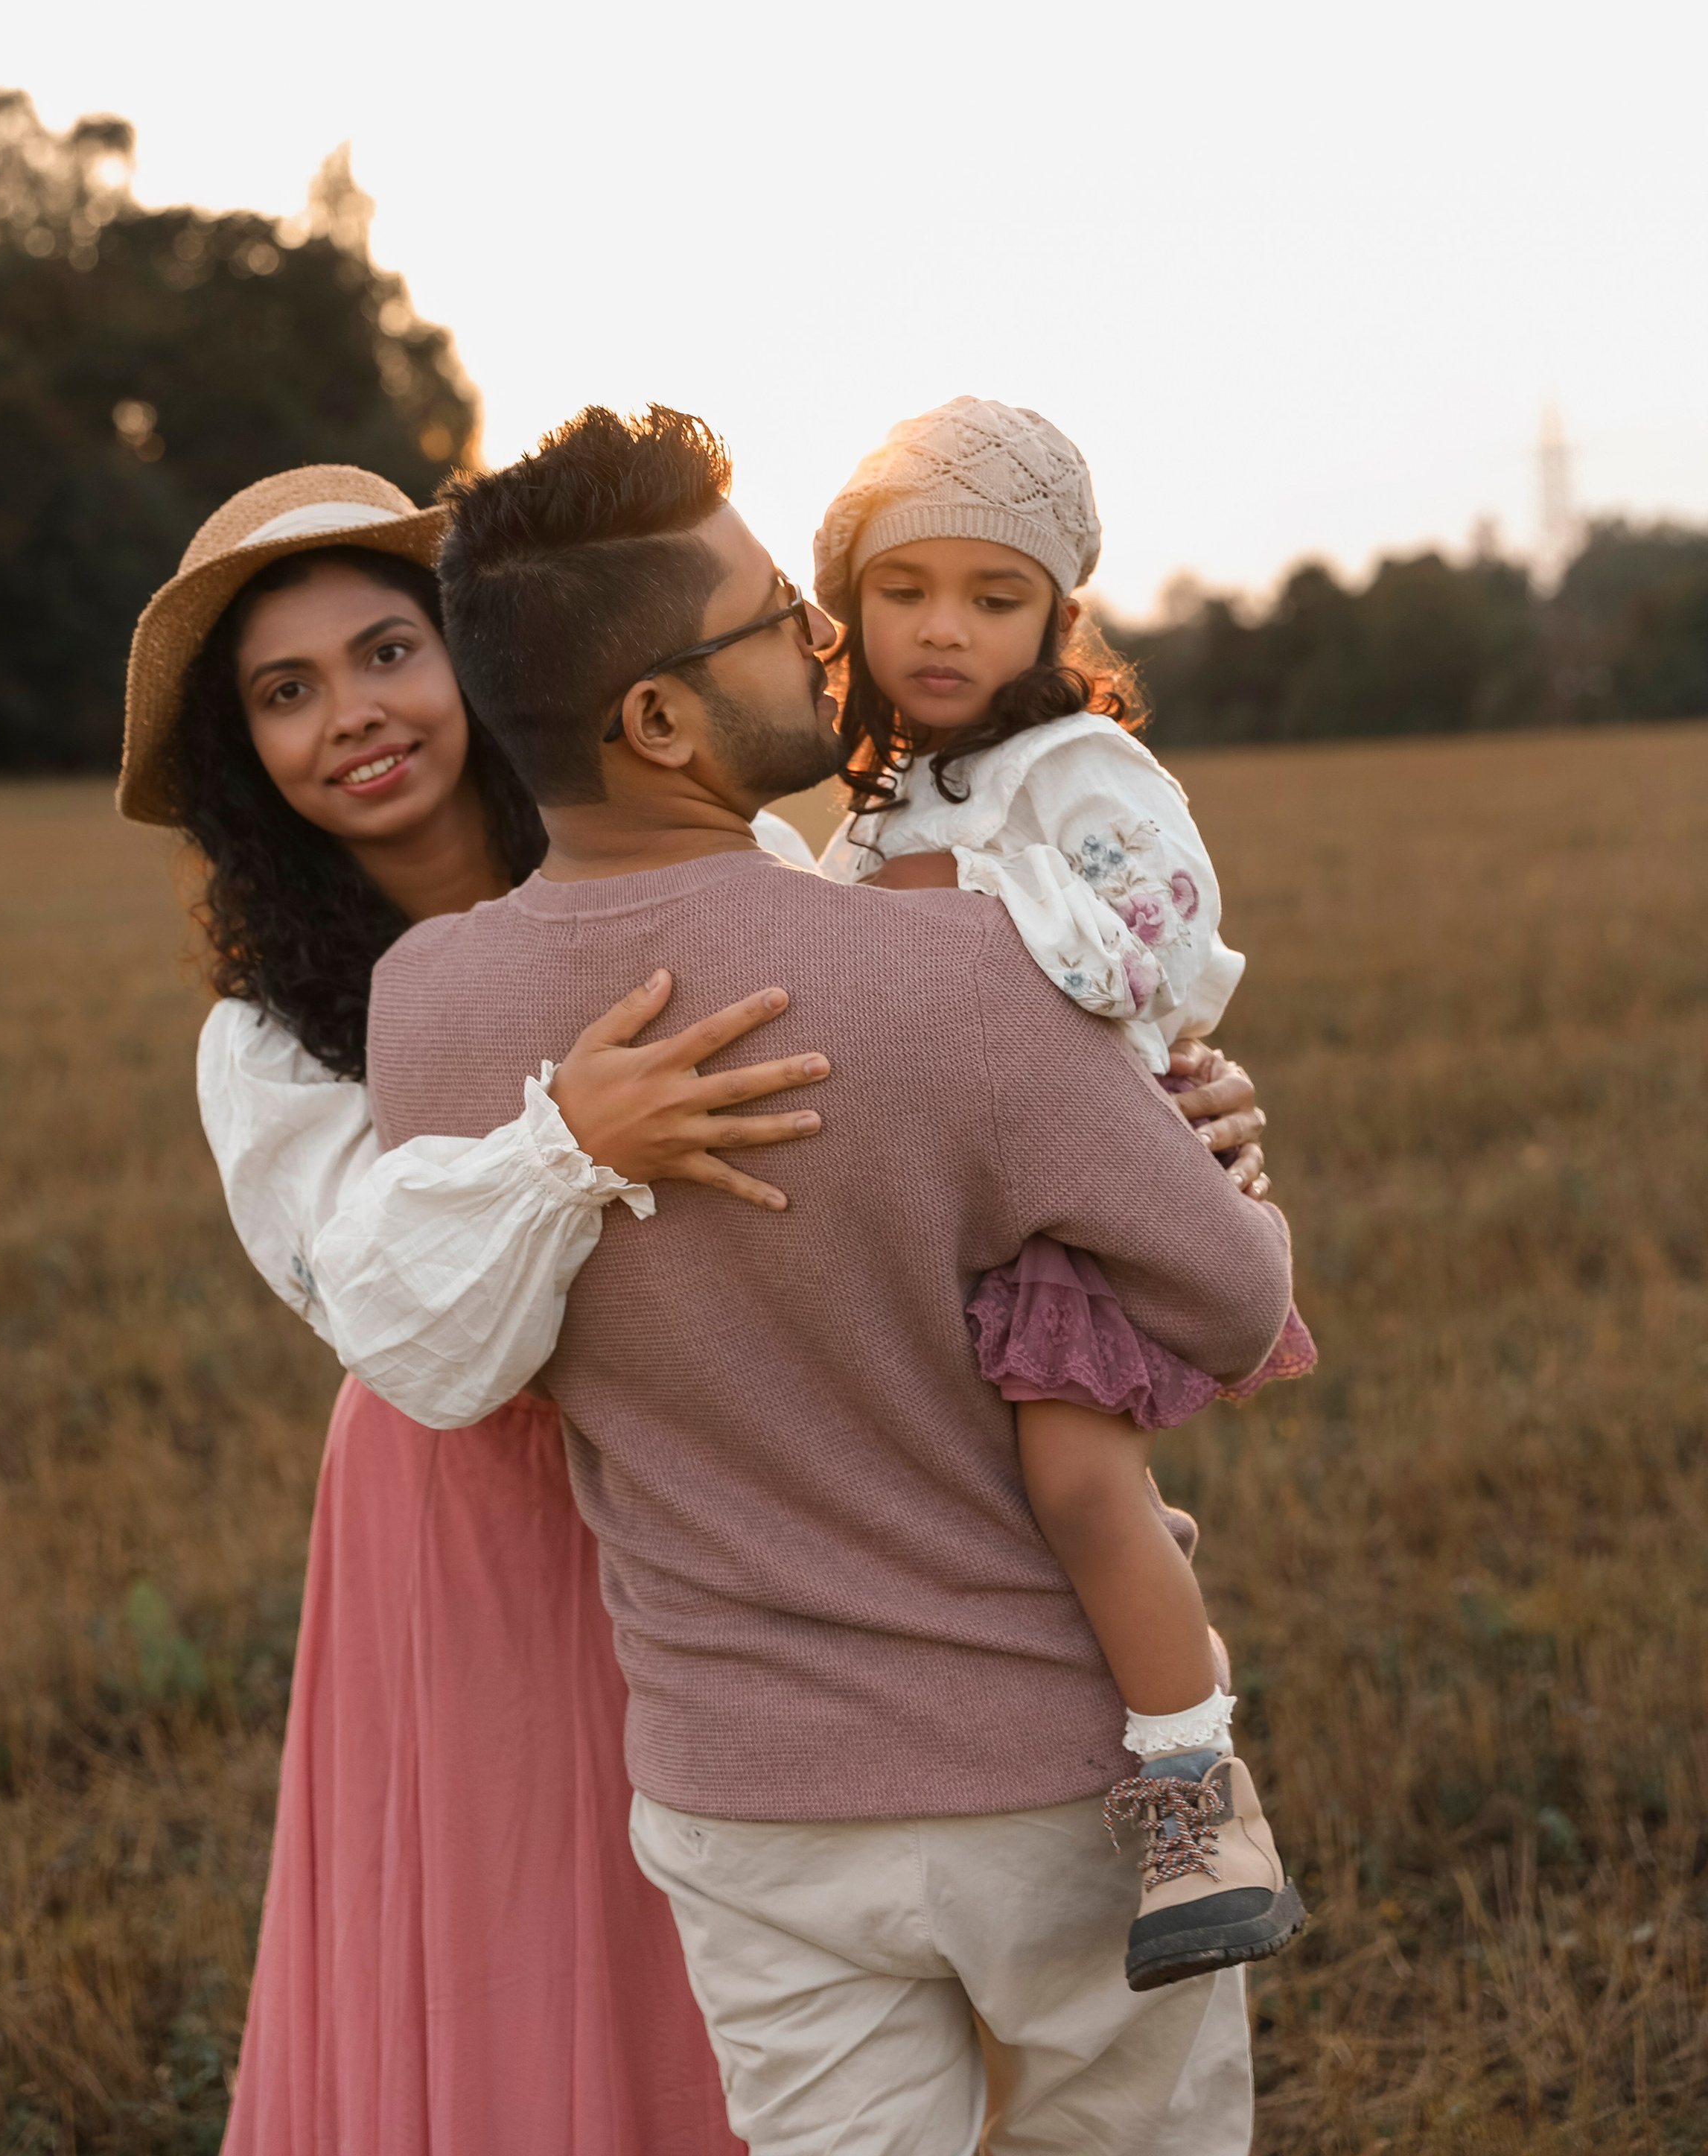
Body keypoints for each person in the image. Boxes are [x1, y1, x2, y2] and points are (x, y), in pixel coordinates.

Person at [367, 404, 1299, 2155]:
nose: (825, 634)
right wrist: (1227, 1157)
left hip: (740, 1802)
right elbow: (1229, 1308)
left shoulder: (422, 1013)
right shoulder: (960, 974)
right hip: (1046, 1778)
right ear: (655, 717)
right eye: (774, 616)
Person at [117, 462, 836, 2155]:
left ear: (478, 661)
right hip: (473, 1516)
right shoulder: (271, 1036)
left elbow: (882, 1082)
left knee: (797, 1948)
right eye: (284, 695)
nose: (349, 719)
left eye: (385, 653)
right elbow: (402, 1317)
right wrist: (565, 1145)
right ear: (246, 755)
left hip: (727, 1456)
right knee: (532, 1938)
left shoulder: (698, 852)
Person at [813, 394, 1314, 1992]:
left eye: (990, 595)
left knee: (1078, 1481)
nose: (940, 629)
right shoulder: (886, 796)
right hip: (953, 1196)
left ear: (1055, 616)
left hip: (1077, 1197)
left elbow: (1162, 941)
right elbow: (828, 961)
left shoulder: (1076, 765)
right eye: (902, 591)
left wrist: (962, 912)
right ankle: (1126, 1567)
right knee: (1011, 1475)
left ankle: (1193, 1795)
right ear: (849, 603)